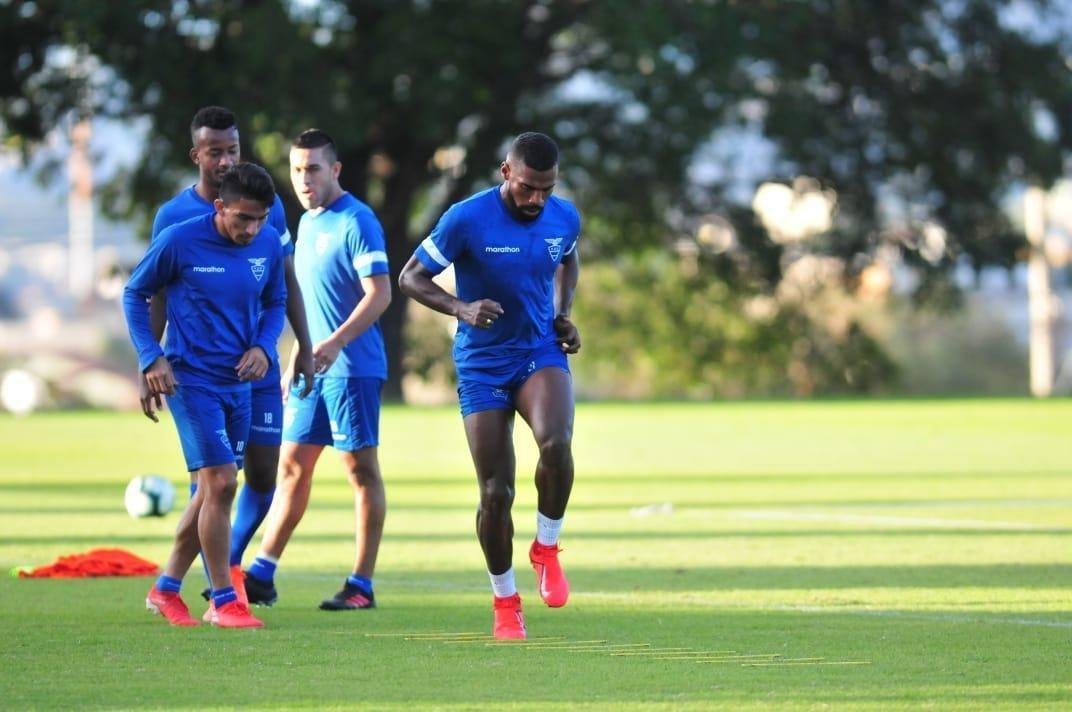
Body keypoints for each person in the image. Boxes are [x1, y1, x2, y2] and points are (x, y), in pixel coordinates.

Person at [398, 132, 581, 640]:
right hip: (481, 364)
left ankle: (546, 547)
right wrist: (461, 308)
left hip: (539, 351)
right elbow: (410, 277)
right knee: (496, 493)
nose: (535, 200)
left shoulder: (564, 217)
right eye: (527, 188)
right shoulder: (466, 217)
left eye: (545, 189)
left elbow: (568, 258)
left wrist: (563, 315)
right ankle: (505, 601)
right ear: (506, 172)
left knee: (556, 442)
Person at [142, 106, 315, 603]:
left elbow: (281, 281)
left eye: (231, 150)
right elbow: (151, 293)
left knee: (258, 475)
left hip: (257, 367)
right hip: (198, 371)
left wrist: (298, 344)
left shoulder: (266, 204)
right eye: (214, 151)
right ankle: (224, 581)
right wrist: (148, 359)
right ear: (196, 154)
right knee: (215, 482)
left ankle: (184, 579)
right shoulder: (174, 219)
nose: (223, 159)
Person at [126, 163, 287, 628]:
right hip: (190, 380)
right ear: (219, 207)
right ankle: (224, 599)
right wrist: (149, 356)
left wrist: (262, 345)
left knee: (209, 495)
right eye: (242, 219)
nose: (251, 229)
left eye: (259, 219)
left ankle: (166, 588)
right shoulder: (180, 240)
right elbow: (136, 293)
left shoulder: (268, 242)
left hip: (241, 384)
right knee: (219, 484)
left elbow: (275, 301)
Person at [243, 129, 392, 611]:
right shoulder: (305, 225)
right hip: (314, 367)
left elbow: (380, 294)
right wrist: (298, 352)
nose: (304, 180)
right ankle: (262, 572)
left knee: (359, 471)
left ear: (335, 170)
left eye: (313, 169)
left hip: (353, 369)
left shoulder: (358, 221)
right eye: (296, 169)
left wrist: (332, 344)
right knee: (290, 466)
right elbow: (306, 302)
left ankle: (361, 585)